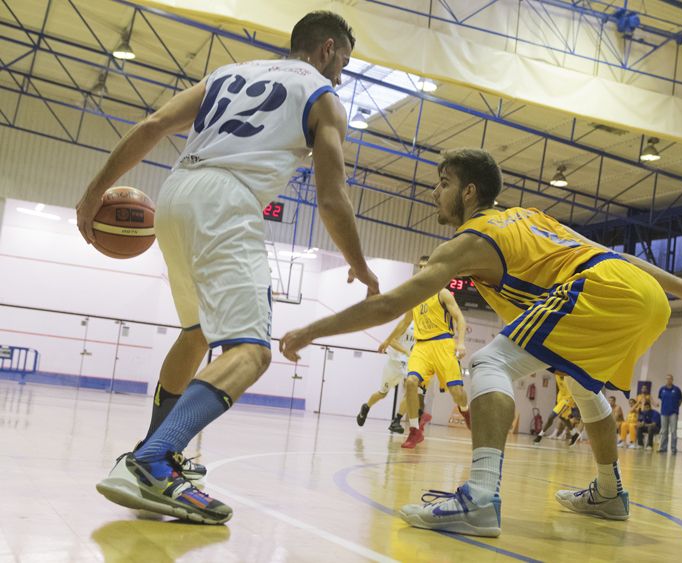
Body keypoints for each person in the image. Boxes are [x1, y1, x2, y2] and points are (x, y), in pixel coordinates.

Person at [279, 147, 682, 536]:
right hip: (644, 296)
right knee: (583, 389)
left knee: (487, 365)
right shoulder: (530, 218)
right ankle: (609, 493)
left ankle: (479, 497)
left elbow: (387, 306)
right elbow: (611, 254)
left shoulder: (470, 240)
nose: (433, 193)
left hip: (597, 288)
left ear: (469, 192)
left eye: (442, 183)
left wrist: (310, 330)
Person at [81, 11, 379, 524]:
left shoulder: (229, 72)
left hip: (175, 196)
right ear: (327, 49)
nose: (341, 77)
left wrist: (92, 194)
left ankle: (157, 452)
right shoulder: (323, 97)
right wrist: (360, 266)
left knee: (196, 333)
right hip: (227, 201)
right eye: (344, 64)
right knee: (250, 352)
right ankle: (152, 461)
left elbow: (153, 125)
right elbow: (333, 198)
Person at [378, 257, 471, 448]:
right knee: (410, 383)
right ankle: (414, 431)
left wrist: (460, 343)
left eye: (424, 268)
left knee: (457, 393)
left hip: (443, 344)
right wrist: (388, 340)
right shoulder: (415, 297)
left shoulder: (443, 294)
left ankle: (466, 411)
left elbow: (460, 319)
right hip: (421, 347)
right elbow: (404, 323)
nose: (420, 271)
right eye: (418, 268)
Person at [356, 323, 415, 432]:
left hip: (410, 363)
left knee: (411, 390)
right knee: (382, 393)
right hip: (395, 362)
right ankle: (366, 407)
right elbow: (391, 341)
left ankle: (396, 421)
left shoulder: (425, 326)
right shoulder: (407, 323)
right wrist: (406, 351)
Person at [533, 372, 575, 444]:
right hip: (560, 397)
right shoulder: (556, 374)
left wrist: (573, 407)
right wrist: (556, 400)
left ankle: (540, 435)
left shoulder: (570, 378)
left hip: (568, 399)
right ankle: (574, 434)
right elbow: (558, 387)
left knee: (551, 417)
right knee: (563, 418)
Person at [656, 374, 682, 454]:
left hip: (673, 413)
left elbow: (680, 400)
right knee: (664, 431)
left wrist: (676, 407)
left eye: (670, 379)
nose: (668, 380)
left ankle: (673, 449)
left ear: (672, 380)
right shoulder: (662, 389)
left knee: (673, 431)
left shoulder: (677, 389)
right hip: (664, 412)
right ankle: (663, 448)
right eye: (667, 379)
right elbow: (660, 398)